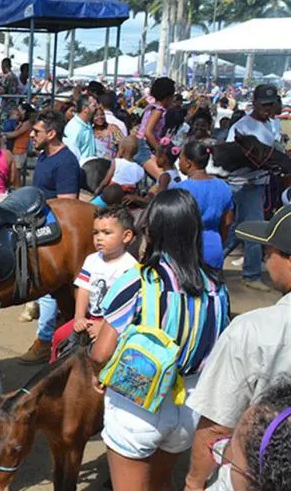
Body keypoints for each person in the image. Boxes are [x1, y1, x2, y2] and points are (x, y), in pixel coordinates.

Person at [91, 189, 231, 491]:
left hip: (137, 404)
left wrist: (97, 376)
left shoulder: (139, 280)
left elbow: (101, 353)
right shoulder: (217, 287)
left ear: (150, 230)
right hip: (189, 407)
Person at [182, 205, 291, 491]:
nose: (266, 261)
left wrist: (194, 482)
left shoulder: (252, 330)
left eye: (270, 253)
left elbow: (217, 426)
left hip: (258, 476)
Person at [20, 109, 81, 364]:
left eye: (37, 132)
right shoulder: (44, 156)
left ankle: (44, 339)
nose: (32, 135)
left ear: (52, 134)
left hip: (53, 228)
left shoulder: (66, 162)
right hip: (36, 220)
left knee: (47, 286)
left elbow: (69, 202)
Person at [47, 205, 138, 362]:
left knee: (101, 357)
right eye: (95, 233)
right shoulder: (92, 260)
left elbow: (128, 306)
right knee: (59, 336)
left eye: (107, 233)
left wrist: (103, 325)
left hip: (114, 325)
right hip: (89, 318)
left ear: (126, 236)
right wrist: (79, 317)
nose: (99, 238)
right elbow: (84, 289)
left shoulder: (130, 268)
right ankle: (55, 375)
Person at [225, 84, 283, 292]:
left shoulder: (273, 124)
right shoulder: (242, 126)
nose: (267, 109)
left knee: (239, 228)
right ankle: (250, 273)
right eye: (264, 105)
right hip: (241, 184)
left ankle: (213, 264)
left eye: (271, 104)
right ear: (255, 103)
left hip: (260, 182)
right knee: (248, 228)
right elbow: (230, 155)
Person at [177, 142, 235, 270]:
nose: (179, 162)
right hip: (214, 246)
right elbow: (227, 222)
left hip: (186, 249)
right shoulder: (224, 187)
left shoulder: (179, 190)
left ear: (188, 163)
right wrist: (219, 241)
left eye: (180, 158)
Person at [137, 77, 176, 178]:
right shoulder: (159, 111)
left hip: (143, 143)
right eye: (172, 97)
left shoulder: (151, 106)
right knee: (164, 178)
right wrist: (159, 150)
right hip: (143, 146)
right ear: (168, 97)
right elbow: (148, 132)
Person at [64, 95, 98, 163]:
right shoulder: (75, 128)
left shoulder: (87, 124)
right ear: (85, 108)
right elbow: (72, 154)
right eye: (94, 105)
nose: (97, 107)